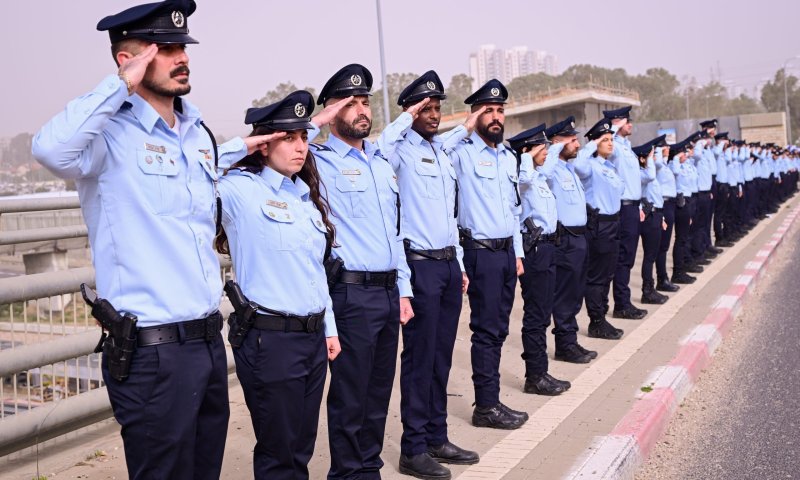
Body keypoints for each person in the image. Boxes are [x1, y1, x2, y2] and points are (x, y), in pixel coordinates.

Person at [31, 1, 273, 478]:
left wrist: (246, 145)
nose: (181, 56)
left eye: (182, 46)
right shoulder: (107, 137)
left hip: (205, 343)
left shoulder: (195, 134)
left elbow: (200, 167)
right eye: (164, 48)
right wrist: (120, 84)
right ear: (129, 60)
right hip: (152, 354)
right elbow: (50, 148)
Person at [215, 91, 342, 479]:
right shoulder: (239, 190)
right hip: (270, 341)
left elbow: (312, 270)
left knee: (301, 447)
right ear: (264, 143)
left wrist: (328, 328)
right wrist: (242, 146)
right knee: (278, 451)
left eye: (304, 137)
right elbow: (193, 172)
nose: (300, 147)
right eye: (288, 138)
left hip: (310, 338)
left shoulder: (302, 196)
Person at [308, 63, 416, 480]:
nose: (361, 109)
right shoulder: (316, 161)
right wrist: (315, 121)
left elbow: (393, 232)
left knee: (377, 392)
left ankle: (367, 468)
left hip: (388, 292)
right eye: (349, 102)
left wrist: (403, 289)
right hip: (351, 294)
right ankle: (348, 473)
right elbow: (265, 147)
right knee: (350, 395)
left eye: (365, 101)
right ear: (331, 112)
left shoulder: (380, 162)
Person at [388, 71, 480, 480]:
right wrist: (405, 117)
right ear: (410, 112)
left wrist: (458, 263)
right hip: (420, 265)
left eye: (437, 107)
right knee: (419, 360)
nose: (433, 114)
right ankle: (412, 447)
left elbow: (448, 214)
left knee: (441, 357)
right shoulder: (399, 151)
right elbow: (381, 144)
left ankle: (436, 437)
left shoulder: (440, 152)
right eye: (425, 108)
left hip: (446, 264)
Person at [445, 79, 529, 430]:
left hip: (506, 253)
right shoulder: (461, 153)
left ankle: (492, 401)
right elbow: (436, 150)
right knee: (485, 330)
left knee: (498, 331)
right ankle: (486, 407)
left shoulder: (508, 157)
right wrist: (464, 126)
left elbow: (513, 210)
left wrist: (518, 253)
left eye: (500, 111)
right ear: (476, 114)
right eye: (487, 111)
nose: (495, 117)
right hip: (479, 253)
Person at [510, 124, 574, 394]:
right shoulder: (522, 178)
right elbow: (522, 181)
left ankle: (541, 371)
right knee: (536, 315)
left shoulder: (538, 177)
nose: (546, 152)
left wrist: (558, 143)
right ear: (527, 151)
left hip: (548, 248)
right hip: (534, 250)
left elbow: (545, 166)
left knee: (544, 313)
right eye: (541, 148)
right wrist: (525, 154)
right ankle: (535, 376)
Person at [542, 117, 598, 363]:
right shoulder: (551, 168)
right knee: (564, 296)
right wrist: (553, 148)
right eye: (572, 140)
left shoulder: (569, 168)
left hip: (579, 238)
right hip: (564, 240)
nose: (577, 144)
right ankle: (564, 346)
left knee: (575, 293)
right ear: (556, 142)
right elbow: (542, 173)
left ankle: (571, 341)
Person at [573, 119, 625, 340]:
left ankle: (602, 317)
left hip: (613, 222)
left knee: (608, 273)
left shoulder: (609, 166)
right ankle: (596, 321)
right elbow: (579, 165)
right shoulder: (590, 166)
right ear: (595, 143)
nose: (610, 143)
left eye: (612, 139)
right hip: (599, 224)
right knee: (596, 276)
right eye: (605, 140)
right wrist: (591, 145)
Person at [603, 106, 648, 321]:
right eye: (627, 121)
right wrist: (613, 127)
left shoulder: (626, 147)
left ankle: (624, 300)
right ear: (618, 122)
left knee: (628, 256)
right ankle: (621, 303)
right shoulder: (613, 145)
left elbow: (632, 180)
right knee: (622, 257)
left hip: (632, 206)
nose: (630, 125)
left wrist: (638, 206)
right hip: (622, 206)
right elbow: (601, 143)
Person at [634, 140, 668, 304]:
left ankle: (650, 289)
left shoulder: (648, 173)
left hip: (655, 215)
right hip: (648, 217)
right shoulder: (642, 174)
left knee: (652, 255)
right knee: (649, 256)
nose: (654, 158)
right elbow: (650, 176)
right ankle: (647, 291)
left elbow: (656, 199)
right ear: (642, 159)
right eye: (650, 155)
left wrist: (661, 217)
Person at [652, 136, 680, 293]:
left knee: (664, 245)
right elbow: (655, 162)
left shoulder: (664, 165)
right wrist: (657, 149)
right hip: (662, 204)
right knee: (661, 247)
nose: (668, 149)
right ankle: (662, 279)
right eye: (665, 147)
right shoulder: (657, 165)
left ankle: (664, 277)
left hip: (670, 204)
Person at [670, 140, 698, 284]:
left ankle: (681, 269)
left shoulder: (682, 165)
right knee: (681, 238)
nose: (686, 154)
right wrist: (676, 157)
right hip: (680, 202)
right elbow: (675, 171)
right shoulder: (673, 165)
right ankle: (678, 271)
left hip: (686, 201)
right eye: (683, 152)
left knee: (683, 238)